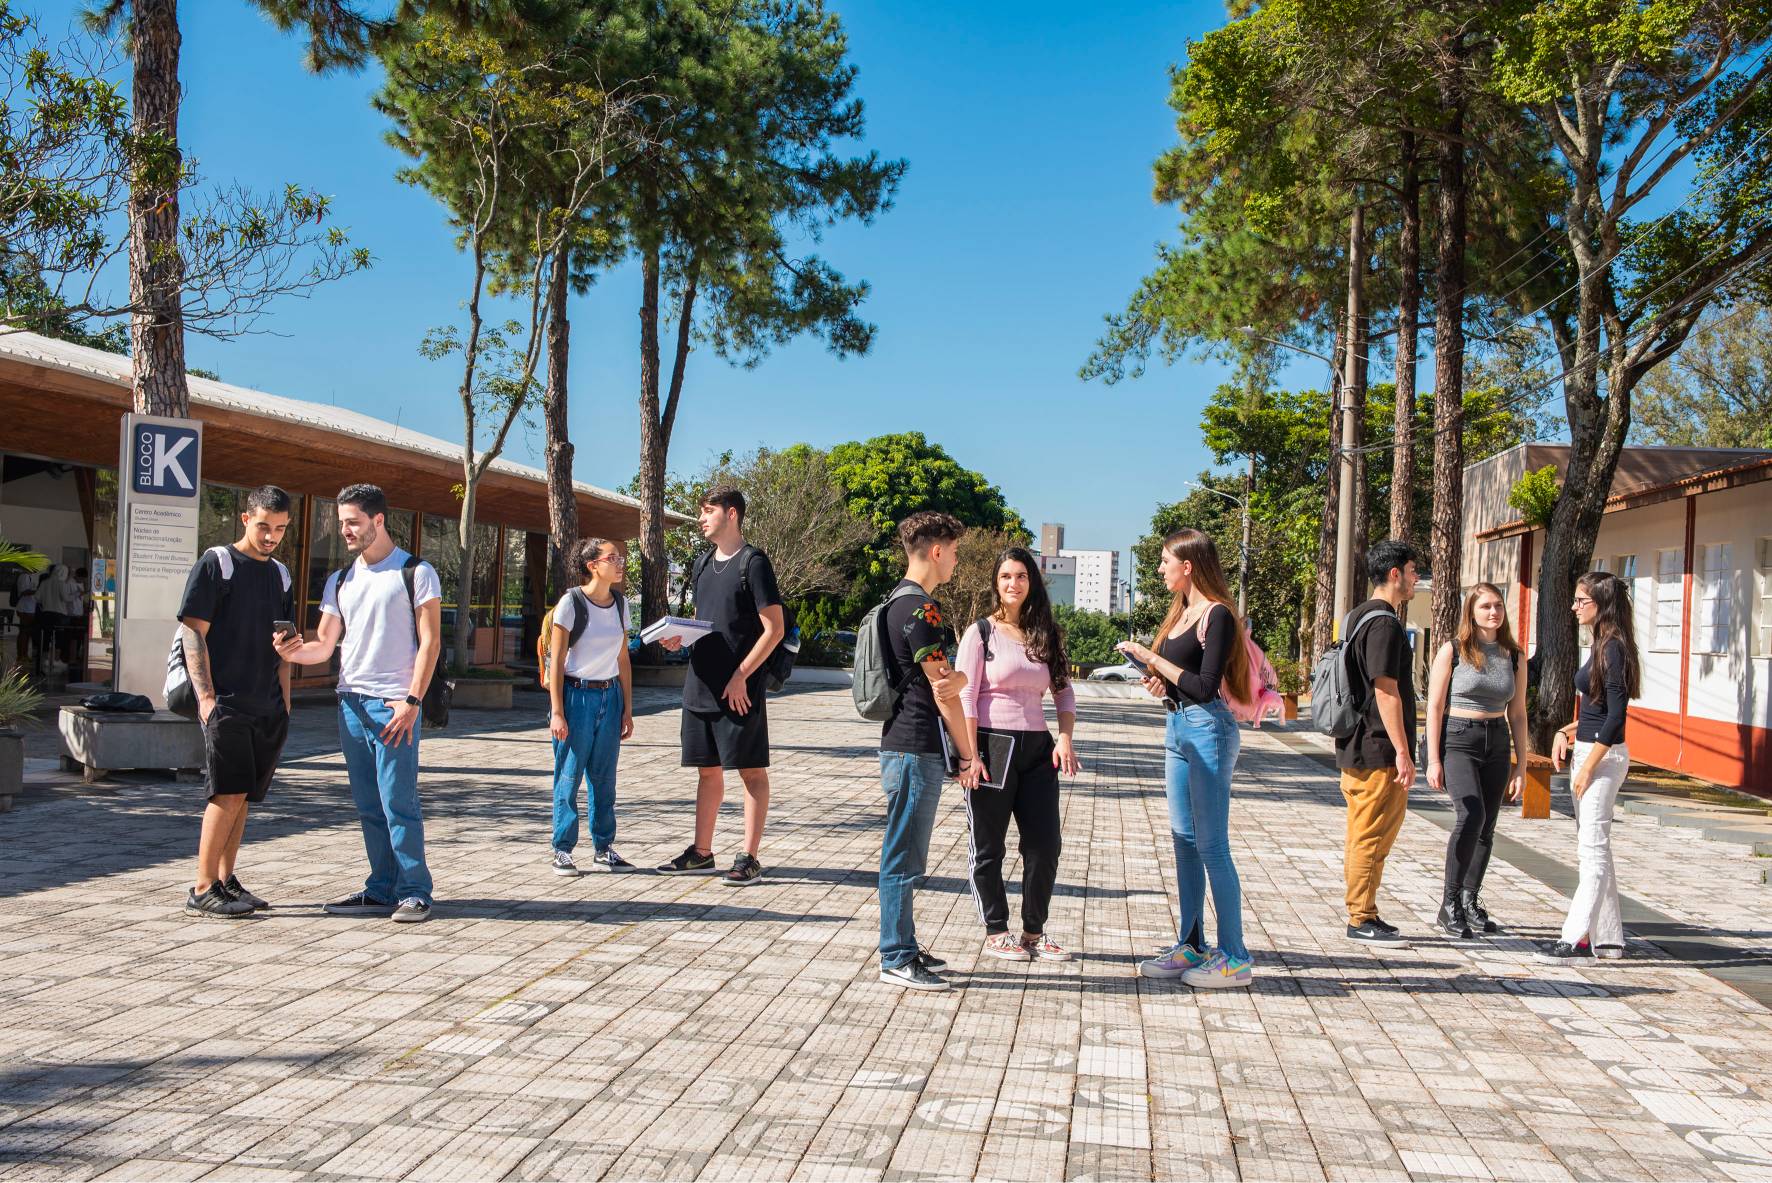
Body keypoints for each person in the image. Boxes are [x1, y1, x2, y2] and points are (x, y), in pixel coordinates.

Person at [277, 484, 442, 923]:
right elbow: (324, 645)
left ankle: (415, 891)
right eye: (341, 522)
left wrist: (412, 700)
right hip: (350, 702)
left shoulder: (415, 572)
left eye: (352, 522)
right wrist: (291, 651)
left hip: (394, 705)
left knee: (398, 802)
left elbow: (430, 643)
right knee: (368, 804)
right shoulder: (340, 580)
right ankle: (381, 888)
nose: (345, 530)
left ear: (378, 521)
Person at [1120, 529, 1257, 989]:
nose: (1160, 569)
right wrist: (1158, 682)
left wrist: (1153, 660)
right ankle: (1192, 943)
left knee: (1212, 844)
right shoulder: (1180, 614)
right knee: (1183, 840)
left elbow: (1205, 686)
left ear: (1189, 565)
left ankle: (1235, 956)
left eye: (1165, 561)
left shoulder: (1217, 614)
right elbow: (1183, 687)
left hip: (1209, 730)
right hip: (1178, 727)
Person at [954, 546, 1081, 964]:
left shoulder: (1045, 632)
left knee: (1045, 844)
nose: (1014, 583)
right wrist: (970, 756)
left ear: (1032, 583)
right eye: (1007, 576)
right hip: (992, 745)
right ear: (996, 581)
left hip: (1038, 749)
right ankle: (996, 930)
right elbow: (967, 696)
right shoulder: (981, 633)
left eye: (1022, 576)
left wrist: (1065, 738)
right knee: (989, 846)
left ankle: (1033, 931)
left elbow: (1063, 690)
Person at [653, 486, 785, 886]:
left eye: (708, 511)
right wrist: (679, 637)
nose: (701, 518)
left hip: (739, 689)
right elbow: (702, 620)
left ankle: (749, 857)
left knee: (750, 772)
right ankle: (702, 852)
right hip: (701, 684)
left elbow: (774, 629)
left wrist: (742, 674)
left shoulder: (754, 563)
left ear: (732, 514)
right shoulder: (702, 563)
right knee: (707, 771)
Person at [176, 485, 296, 918]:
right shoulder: (218, 563)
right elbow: (193, 631)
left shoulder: (280, 574)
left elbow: (283, 641)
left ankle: (226, 881)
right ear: (246, 519)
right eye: (264, 526)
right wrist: (206, 698)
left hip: (266, 702)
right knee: (225, 793)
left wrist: (284, 699)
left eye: (280, 529)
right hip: (225, 701)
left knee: (243, 796)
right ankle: (202, 886)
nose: (271, 537)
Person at [877, 511, 975, 990]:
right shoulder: (922, 609)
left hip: (903, 744)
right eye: (954, 551)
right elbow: (944, 689)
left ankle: (905, 944)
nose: (956, 560)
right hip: (916, 746)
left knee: (908, 852)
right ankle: (895, 955)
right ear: (936, 550)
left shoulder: (894, 602)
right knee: (903, 856)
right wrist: (968, 753)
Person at [1537, 572, 1640, 964]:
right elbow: (1598, 712)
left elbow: (1616, 719)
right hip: (1590, 751)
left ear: (1601, 604)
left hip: (1603, 758)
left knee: (1591, 852)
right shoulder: (1601, 643)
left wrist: (1587, 768)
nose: (1574, 607)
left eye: (1581, 600)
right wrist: (1567, 729)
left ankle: (1573, 937)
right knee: (1598, 850)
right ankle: (1609, 940)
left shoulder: (1613, 648)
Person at [1424, 582, 1527, 939]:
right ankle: (1448, 903)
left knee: (1487, 825)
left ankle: (1470, 900)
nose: (1493, 612)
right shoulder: (1453, 651)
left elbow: (1519, 713)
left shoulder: (1513, 655)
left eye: (1498, 606)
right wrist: (1433, 758)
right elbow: (1435, 707)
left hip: (1497, 741)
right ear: (1471, 611)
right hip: (1459, 738)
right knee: (1471, 814)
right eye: (1485, 606)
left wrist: (1522, 765)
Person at [1336, 539, 1421, 947]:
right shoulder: (1384, 623)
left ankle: (1366, 910)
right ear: (1395, 574)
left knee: (1368, 832)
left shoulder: (1357, 616)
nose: (1416, 579)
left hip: (1358, 741)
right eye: (1413, 571)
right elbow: (1386, 690)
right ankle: (1360, 917)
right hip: (1376, 746)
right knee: (1370, 833)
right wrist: (1403, 751)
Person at [547, 536, 636, 876]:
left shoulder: (620, 604)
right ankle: (563, 849)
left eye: (620, 557)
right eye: (612, 558)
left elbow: (623, 657)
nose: (619, 564)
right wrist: (557, 711)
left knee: (604, 778)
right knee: (568, 776)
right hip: (576, 697)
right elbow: (556, 662)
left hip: (609, 696)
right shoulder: (571, 602)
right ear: (592, 565)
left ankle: (604, 847)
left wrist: (627, 707)